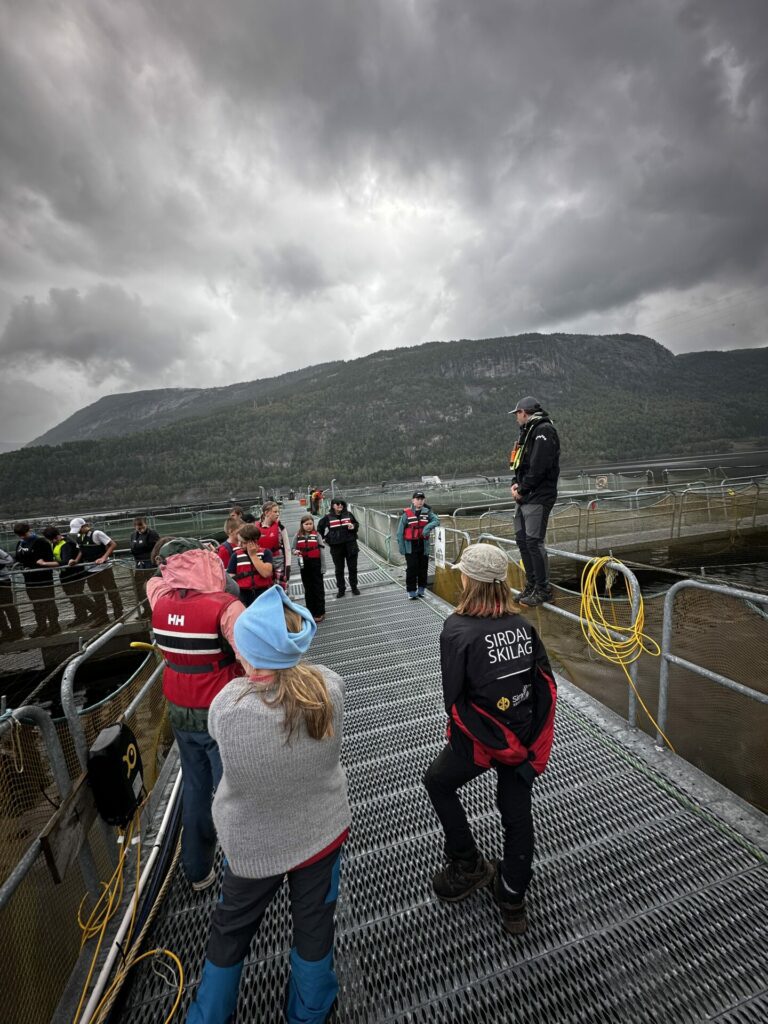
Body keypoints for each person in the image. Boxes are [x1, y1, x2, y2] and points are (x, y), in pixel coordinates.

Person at [186, 586, 350, 1024]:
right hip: (322, 831)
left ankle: (209, 1016)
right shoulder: (329, 687)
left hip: (253, 845)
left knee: (231, 928)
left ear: (248, 651)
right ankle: (310, 1012)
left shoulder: (227, 706)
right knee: (314, 925)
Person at [423, 543, 557, 935]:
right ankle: (513, 899)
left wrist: (493, 741)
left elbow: (456, 701)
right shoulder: (525, 627)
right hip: (523, 736)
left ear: (469, 580)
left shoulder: (457, 629)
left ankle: (467, 865)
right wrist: (527, 745)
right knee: (516, 815)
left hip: (480, 739)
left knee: (437, 782)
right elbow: (545, 686)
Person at [147, 537, 246, 891]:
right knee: (232, 790)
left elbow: (155, 580)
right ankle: (244, 868)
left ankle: (198, 869)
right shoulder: (226, 606)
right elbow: (251, 661)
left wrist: (170, 568)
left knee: (195, 787)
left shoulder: (159, 601)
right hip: (218, 709)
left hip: (179, 708)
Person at [508, 396, 560, 607]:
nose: (515, 418)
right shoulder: (526, 432)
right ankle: (531, 585)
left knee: (533, 541)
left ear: (524, 412)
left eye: (517, 414)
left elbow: (540, 466)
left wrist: (522, 489)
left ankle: (543, 589)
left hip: (538, 496)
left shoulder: (543, 430)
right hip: (525, 496)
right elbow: (518, 463)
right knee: (522, 540)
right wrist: (514, 483)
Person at [70, 517, 124, 624]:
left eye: (79, 529)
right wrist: (76, 560)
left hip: (104, 569)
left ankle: (119, 614)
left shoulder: (96, 534)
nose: (79, 531)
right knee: (97, 594)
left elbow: (112, 544)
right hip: (90, 570)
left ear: (83, 526)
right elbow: (81, 550)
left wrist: (104, 557)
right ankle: (103, 617)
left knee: (112, 592)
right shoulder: (79, 537)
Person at [13, 522, 60, 637]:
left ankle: (54, 625)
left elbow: (48, 558)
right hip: (29, 579)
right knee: (36, 604)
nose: (22, 537)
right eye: (20, 535)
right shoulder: (20, 543)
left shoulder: (41, 542)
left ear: (29, 530)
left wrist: (35, 564)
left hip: (43, 578)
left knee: (48, 602)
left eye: (24, 534)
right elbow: (17, 557)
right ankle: (41, 626)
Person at [43, 526, 95, 628]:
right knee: (73, 597)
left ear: (57, 535)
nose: (53, 541)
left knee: (77, 595)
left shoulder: (67, 543)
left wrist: (45, 563)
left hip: (75, 574)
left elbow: (65, 561)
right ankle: (81, 616)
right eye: (51, 539)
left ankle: (95, 610)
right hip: (65, 574)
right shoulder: (55, 543)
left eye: (54, 538)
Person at [397, 490, 440, 600]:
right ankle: (411, 590)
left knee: (423, 568)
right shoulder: (406, 514)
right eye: (418, 499)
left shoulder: (428, 512)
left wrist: (427, 527)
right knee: (412, 568)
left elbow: (436, 520)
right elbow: (399, 532)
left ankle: (421, 588)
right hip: (410, 547)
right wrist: (402, 549)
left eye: (422, 499)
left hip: (423, 546)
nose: (420, 501)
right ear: (413, 501)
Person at [317, 498, 360, 599]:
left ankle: (354, 587)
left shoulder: (349, 514)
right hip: (336, 547)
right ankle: (341, 589)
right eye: (337, 504)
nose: (340, 505)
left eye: (342, 504)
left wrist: (353, 526)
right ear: (332, 505)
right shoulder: (327, 517)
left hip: (351, 545)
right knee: (339, 569)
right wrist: (323, 539)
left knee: (353, 568)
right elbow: (320, 528)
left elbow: (357, 524)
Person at [227, 524, 274, 607]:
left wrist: (253, 555)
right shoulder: (235, 556)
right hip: (243, 595)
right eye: (238, 541)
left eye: (243, 543)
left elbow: (266, 573)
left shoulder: (266, 553)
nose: (239, 545)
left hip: (263, 593)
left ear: (254, 541)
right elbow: (231, 580)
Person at [292, 514, 327, 622]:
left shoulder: (317, 535)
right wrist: (295, 551)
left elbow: (321, 551)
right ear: (302, 525)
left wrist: (323, 566)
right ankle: (310, 611)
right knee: (308, 588)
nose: (308, 526)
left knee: (318, 588)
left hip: (316, 564)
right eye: (306, 524)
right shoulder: (297, 535)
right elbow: (293, 548)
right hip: (304, 565)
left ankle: (320, 611)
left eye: (310, 524)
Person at [258, 500, 291, 592]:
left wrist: (288, 567)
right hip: (263, 561)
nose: (277, 514)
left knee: (282, 589)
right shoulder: (256, 528)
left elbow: (287, 548)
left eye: (278, 512)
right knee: (266, 588)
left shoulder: (280, 528)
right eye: (275, 512)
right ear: (267, 513)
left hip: (278, 560)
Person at [0, 547, 23, 641]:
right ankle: (5, 632)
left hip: (3, 581)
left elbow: (10, 560)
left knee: (9, 607)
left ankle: (17, 631)